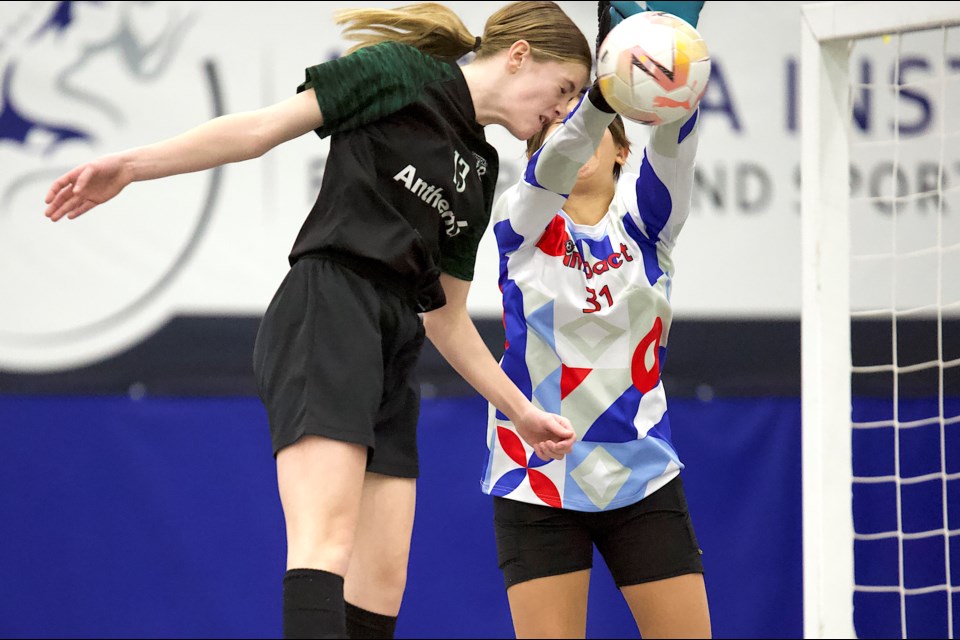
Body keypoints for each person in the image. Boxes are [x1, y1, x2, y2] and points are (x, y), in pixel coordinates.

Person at [43, 2, 594, 638]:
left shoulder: (482, 168)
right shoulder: (400, 73)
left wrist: (519, 411)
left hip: (398, 339)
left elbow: (445, 314)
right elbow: (258, 132)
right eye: (565, 90)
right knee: (323, 545)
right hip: (329, 306)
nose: (563, 111)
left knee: (381, 589)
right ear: (521, 54)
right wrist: (132, 166)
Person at [481, 1, 711, 637]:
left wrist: (667, 47)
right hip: (535, 479)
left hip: (640, 473)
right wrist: (605, 90)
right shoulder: (517, 225)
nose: (567, 137)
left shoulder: (648, 227)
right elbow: (556, 159)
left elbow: (674, 141)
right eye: (551, 132)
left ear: (621, 151)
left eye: (590, 128)